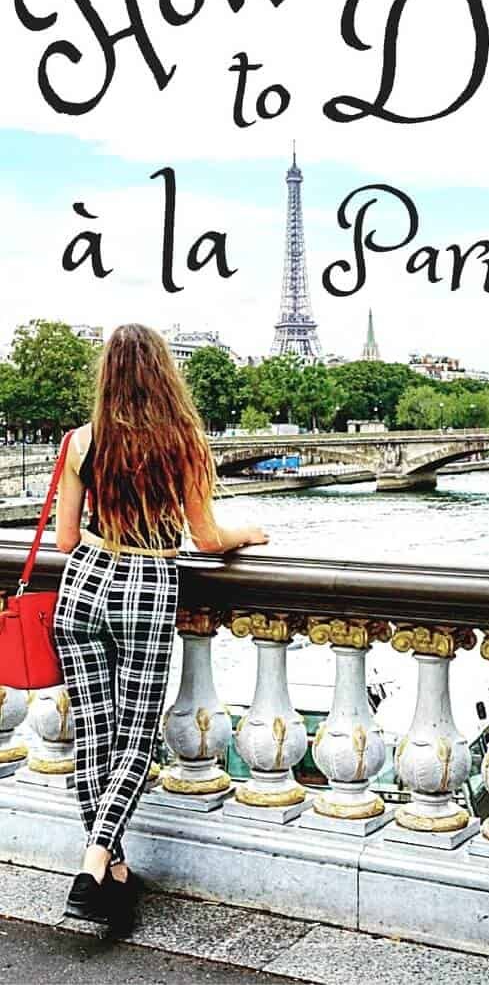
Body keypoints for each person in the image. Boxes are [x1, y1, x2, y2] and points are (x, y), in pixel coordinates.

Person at [53, 324, 268, 935]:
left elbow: (66, 540)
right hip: (146, 582)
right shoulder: (183, 443)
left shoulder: (80, 443)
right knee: (138, 737)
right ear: (164, 375)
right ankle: (94, 862)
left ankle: (112, 878)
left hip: (84, 586)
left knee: (95, 735)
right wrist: (247, 534)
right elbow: (207, 537)